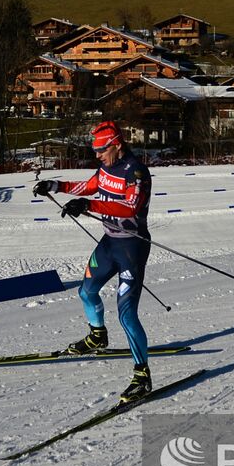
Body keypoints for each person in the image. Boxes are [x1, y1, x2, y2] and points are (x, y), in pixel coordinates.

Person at [33, 120, 154, 403]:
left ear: (117, 145)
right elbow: (89, 186)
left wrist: (90, 205)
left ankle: (142, 376)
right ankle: (97, 335)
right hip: (110, 244)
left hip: (132, 248)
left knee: (126, 314)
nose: (97, 155)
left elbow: (129, 206)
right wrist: (56, 185)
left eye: (101, 150)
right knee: (86, 291)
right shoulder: (106, 168)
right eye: (95, 150)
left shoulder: (136, 172)